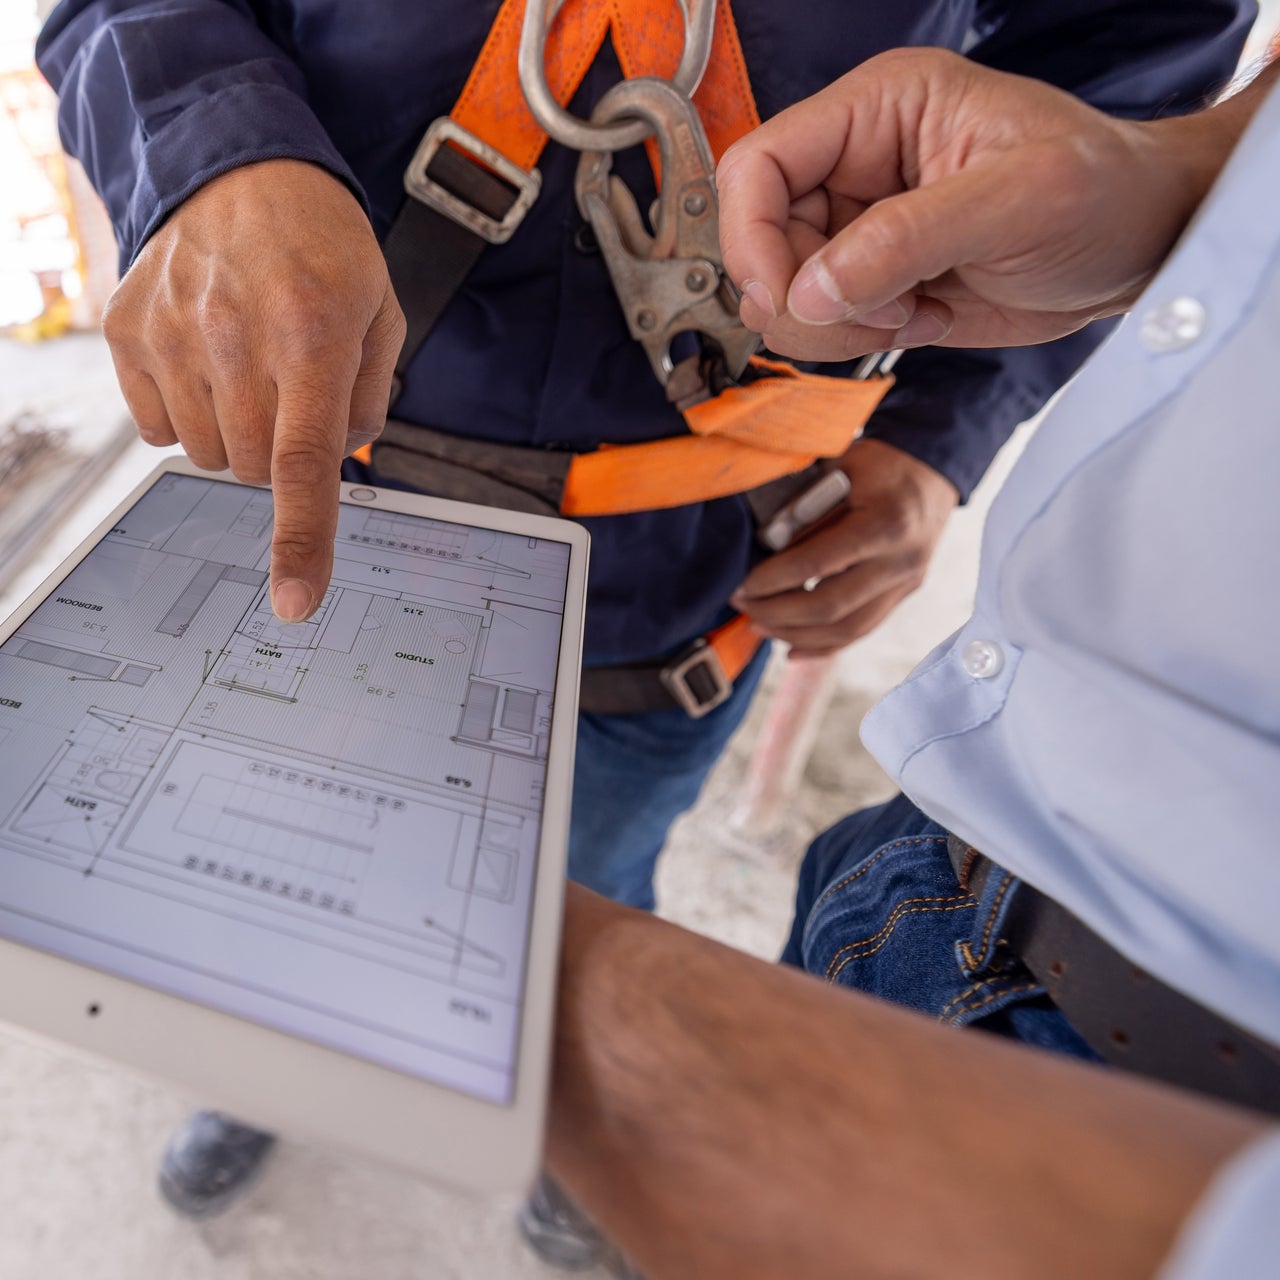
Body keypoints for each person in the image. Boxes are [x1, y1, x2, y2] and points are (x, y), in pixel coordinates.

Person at [34, 0, 1252, 1253]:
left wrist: (933, 441)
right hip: (331, 503)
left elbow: (1124, 66)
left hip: (681, 577)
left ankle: (560, 1158)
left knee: (594, 869)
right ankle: (263, 1059)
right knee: (274, 856)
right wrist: (211, 156)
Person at [533, 44, 1280, 1279]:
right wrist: (1180, 176)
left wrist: (570, 1010)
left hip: (1129, 1114)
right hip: (934, 860)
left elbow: (1130, 32)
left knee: (582, 870)